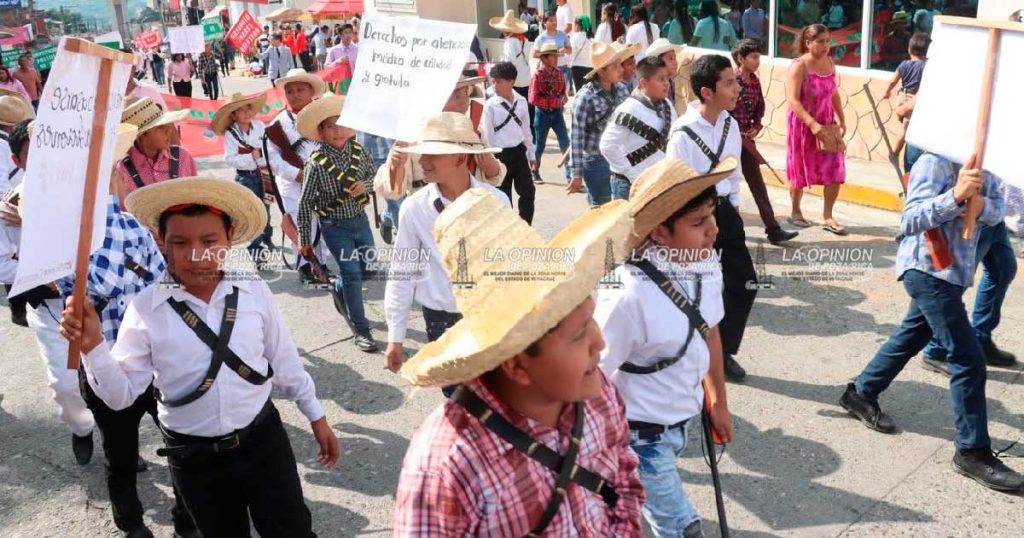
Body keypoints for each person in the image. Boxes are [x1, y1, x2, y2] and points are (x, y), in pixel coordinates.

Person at [60, 176, 340, 536]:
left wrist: (316, 416)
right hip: (194, 458)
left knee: (292, 530)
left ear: (229, 238)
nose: (195, 254)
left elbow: (284, 361)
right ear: (162, 243)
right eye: (180, 242)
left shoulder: (253, 290)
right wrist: (93, 347)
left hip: (264, 441)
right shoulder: (146, 309)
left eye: (209, 241)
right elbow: (121, 396)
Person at [392, 191, 645, 536]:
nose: (600, 342)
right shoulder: (446, 467)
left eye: (592, 319)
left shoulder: (598, 394)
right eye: (579, 333)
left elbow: (622, 478)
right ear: (516, 365)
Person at [839, 152, 1024, 492]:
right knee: (967, 358)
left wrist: (981, 204)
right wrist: (954, 197)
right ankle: (972, 451)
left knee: (912, 336)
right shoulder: (934, 162)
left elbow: (999, 212)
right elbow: (910, 219)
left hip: (954, 273)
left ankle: (860, 392)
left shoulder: (988, 163)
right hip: (927, 270)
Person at [596, 157, 736, 538]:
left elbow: (710, 333)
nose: (713, 231)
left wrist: (717, 401)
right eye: (698, 223)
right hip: (638, 437)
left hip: (682, 423)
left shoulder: (706, 266)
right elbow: (589, 377)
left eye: (712, 214)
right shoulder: (626, 295)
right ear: (659, 232)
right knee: (681, 528)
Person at [382, 112, 511, 378]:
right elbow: (402, 271)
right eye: (422, 153)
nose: (422, 161)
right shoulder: (415, 208)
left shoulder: (496, 200)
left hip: (489, 317)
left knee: (495, 400)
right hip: (441, 321)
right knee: (456, 399)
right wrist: (396, 336)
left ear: (460, 157)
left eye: (432, 154)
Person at [0, 120, 96, 467]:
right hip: (50, 307)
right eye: (33, 151)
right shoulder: (9, 205)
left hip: (95, 299)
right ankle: (82, 426)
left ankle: (118, 441)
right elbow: (2, 264)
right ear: (18, 159)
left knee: (108, 372)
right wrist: (45, 277)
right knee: (66, 384)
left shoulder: (86, 190)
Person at [667, 54, 756, 382]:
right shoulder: (683, 133)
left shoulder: (730, 124)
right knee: (696, 288)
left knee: (744, 282)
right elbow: (676, 186)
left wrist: (733, 205)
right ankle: (689, 353)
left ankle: (723, 350)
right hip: (693, 214)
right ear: (707, 91)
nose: (737, 89)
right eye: (729, 83)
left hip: (725, 213)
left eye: (736, 81)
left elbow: (733, 171)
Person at [295, 95, 379, 352]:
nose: (337, 130)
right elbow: (305, 202)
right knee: (352, 274)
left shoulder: (359, 151)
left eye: (341, 124)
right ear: (320, 132)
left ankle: (340, 289)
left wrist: (366, 185)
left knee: (367, 268)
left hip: (360, 221)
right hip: (334, 226)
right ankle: (360, 328)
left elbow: (377, 176)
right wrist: (304, 239)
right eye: (330, 126)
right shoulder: (316, 162)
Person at [373, 74, 506, 233]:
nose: (465, 101)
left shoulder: (473, 132)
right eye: (457, 96)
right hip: (430, 219)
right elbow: (393, 191)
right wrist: (396, 166)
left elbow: (495, 178)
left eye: (466, 94)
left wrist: (489, 165)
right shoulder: (413, 136)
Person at [264, 68, 332, 285]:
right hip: (293, 184)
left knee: (322, 223)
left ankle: (321, 264)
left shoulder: (323, 117)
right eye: (290, 91)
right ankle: (305, 266)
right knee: (302, 225)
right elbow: (273, 159)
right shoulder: (276, 125)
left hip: (323, 182)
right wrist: (297, 174)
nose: (295, 94)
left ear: (311, 91)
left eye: (300, 89)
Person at [733, 38, 799, 244]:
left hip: (747, 142)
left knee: (758, 185)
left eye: (758, 56)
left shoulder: (755, 80)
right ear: (740, 58)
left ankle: (773, 228)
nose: (757, 60)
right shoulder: (731, 81)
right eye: (753, 57)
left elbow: (760, 107)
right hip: (728, 141)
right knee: (725, 186)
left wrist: (756, 127)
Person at [786, 24, 848, 235]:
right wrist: (812, 124)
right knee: (800, 169)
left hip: (827, 125)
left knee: (835, 168)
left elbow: (834, 92)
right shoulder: (798, 66)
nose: (825, 46)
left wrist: (841, 117)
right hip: (803, 126)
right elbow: (793, 100)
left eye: (828, 41)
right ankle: (795, 211)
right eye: (820, 41)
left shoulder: (830, 62)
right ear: (808, 43)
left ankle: (827, 216)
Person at [600, 56, 678, 201]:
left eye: (667, 78)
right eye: (660, 79)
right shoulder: (628, 109)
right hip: (629, 185)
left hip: (658, 182)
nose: (666, 84)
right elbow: (607, 146)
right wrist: (633, 175)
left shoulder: (667, 105)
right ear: (643, 82)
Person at [214, 92, 274, 261]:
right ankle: (255, 248)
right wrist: (250, 157)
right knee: (252, 212)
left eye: (248, 109)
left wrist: (260, 157)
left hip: (264, 174)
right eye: (241, 110)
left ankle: (266, 233)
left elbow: (269, 148)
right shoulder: (231, 134)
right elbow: (230, 159)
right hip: (245, 178)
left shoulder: (260, 126)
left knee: (265, 207)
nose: (247, 113)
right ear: (233, 115)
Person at [570, 42, 630, 206]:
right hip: (596, 161)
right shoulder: (585, 97)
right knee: (601, 210)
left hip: (621, 157)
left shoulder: (624, 90)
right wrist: (576, 173)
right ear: (601, 72)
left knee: (622, 208)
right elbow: (576, 136)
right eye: (615, 66)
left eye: (620, 64)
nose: (621, 69)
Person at [481, 62, 536, 223]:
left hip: (518, 152)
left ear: (511, 81)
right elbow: (487, 135)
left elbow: (526, 129)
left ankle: (525, 226)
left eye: (499, 81)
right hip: (499, 154)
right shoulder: (490, 106)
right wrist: (490, 158)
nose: (495, 86)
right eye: (493, 81)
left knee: (528, 192)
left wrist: (531, 153)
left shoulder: (521, 101)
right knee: (503, 196)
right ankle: (507, 229)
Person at [118, 97, 195, 195]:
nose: (169, 131)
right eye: (160, 127)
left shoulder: (183, 157)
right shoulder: (123, 170)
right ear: (143, 134)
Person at [883, 32, 930, 163]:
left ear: (909, 50)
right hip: (912, 99)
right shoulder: (926, 65)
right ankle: (895, 153)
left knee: (905, 127)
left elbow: (893, 80)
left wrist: (887, 92)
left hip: (902, 96)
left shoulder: (904, 64)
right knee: (905, 129)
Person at [528, 43, 570, 185]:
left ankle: (570, 175)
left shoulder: (559, 73)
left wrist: (563, 99)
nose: (556, 58)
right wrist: (553, 102)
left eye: (556, 56)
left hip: (557, 114)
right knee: (539, 145)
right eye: (553, 56)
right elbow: (533, 98)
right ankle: (534, 172)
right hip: (543, 114)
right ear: (544, 59)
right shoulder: (538, 75)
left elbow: (564, 93)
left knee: (565, 142)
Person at [490, 10, 534, 140]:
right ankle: (530, 137)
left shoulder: (510, 42)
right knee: (526, 111)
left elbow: (510, 64)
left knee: (512, 111)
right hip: (526, 79)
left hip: (513, 81)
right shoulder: (525, 40)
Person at [532, 11, 572, 88]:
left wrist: (565, 50)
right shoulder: (541, 38)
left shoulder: (563, 35)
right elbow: (534, 54)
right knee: (549, 96)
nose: (554, 22)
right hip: (547, 70)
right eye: (551, 20)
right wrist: (549, 54)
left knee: (561, 96)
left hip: (562, 68)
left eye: (555, 20)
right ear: (544, 23)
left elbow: (570, 50)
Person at [645, 38, 684, 112]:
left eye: (674, 58)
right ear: (659, 62)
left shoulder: (671, 82)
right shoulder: (653, 85)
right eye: (670, 59)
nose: (675, 62)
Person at [567, 17, 594, 93]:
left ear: (578, 25)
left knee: (580, 92)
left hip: (577, 68)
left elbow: (572, 53)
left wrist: (568, 65)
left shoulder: (576, 37)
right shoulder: (591, 38)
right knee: (589, 92)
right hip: (590, 68)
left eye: (574, 24)